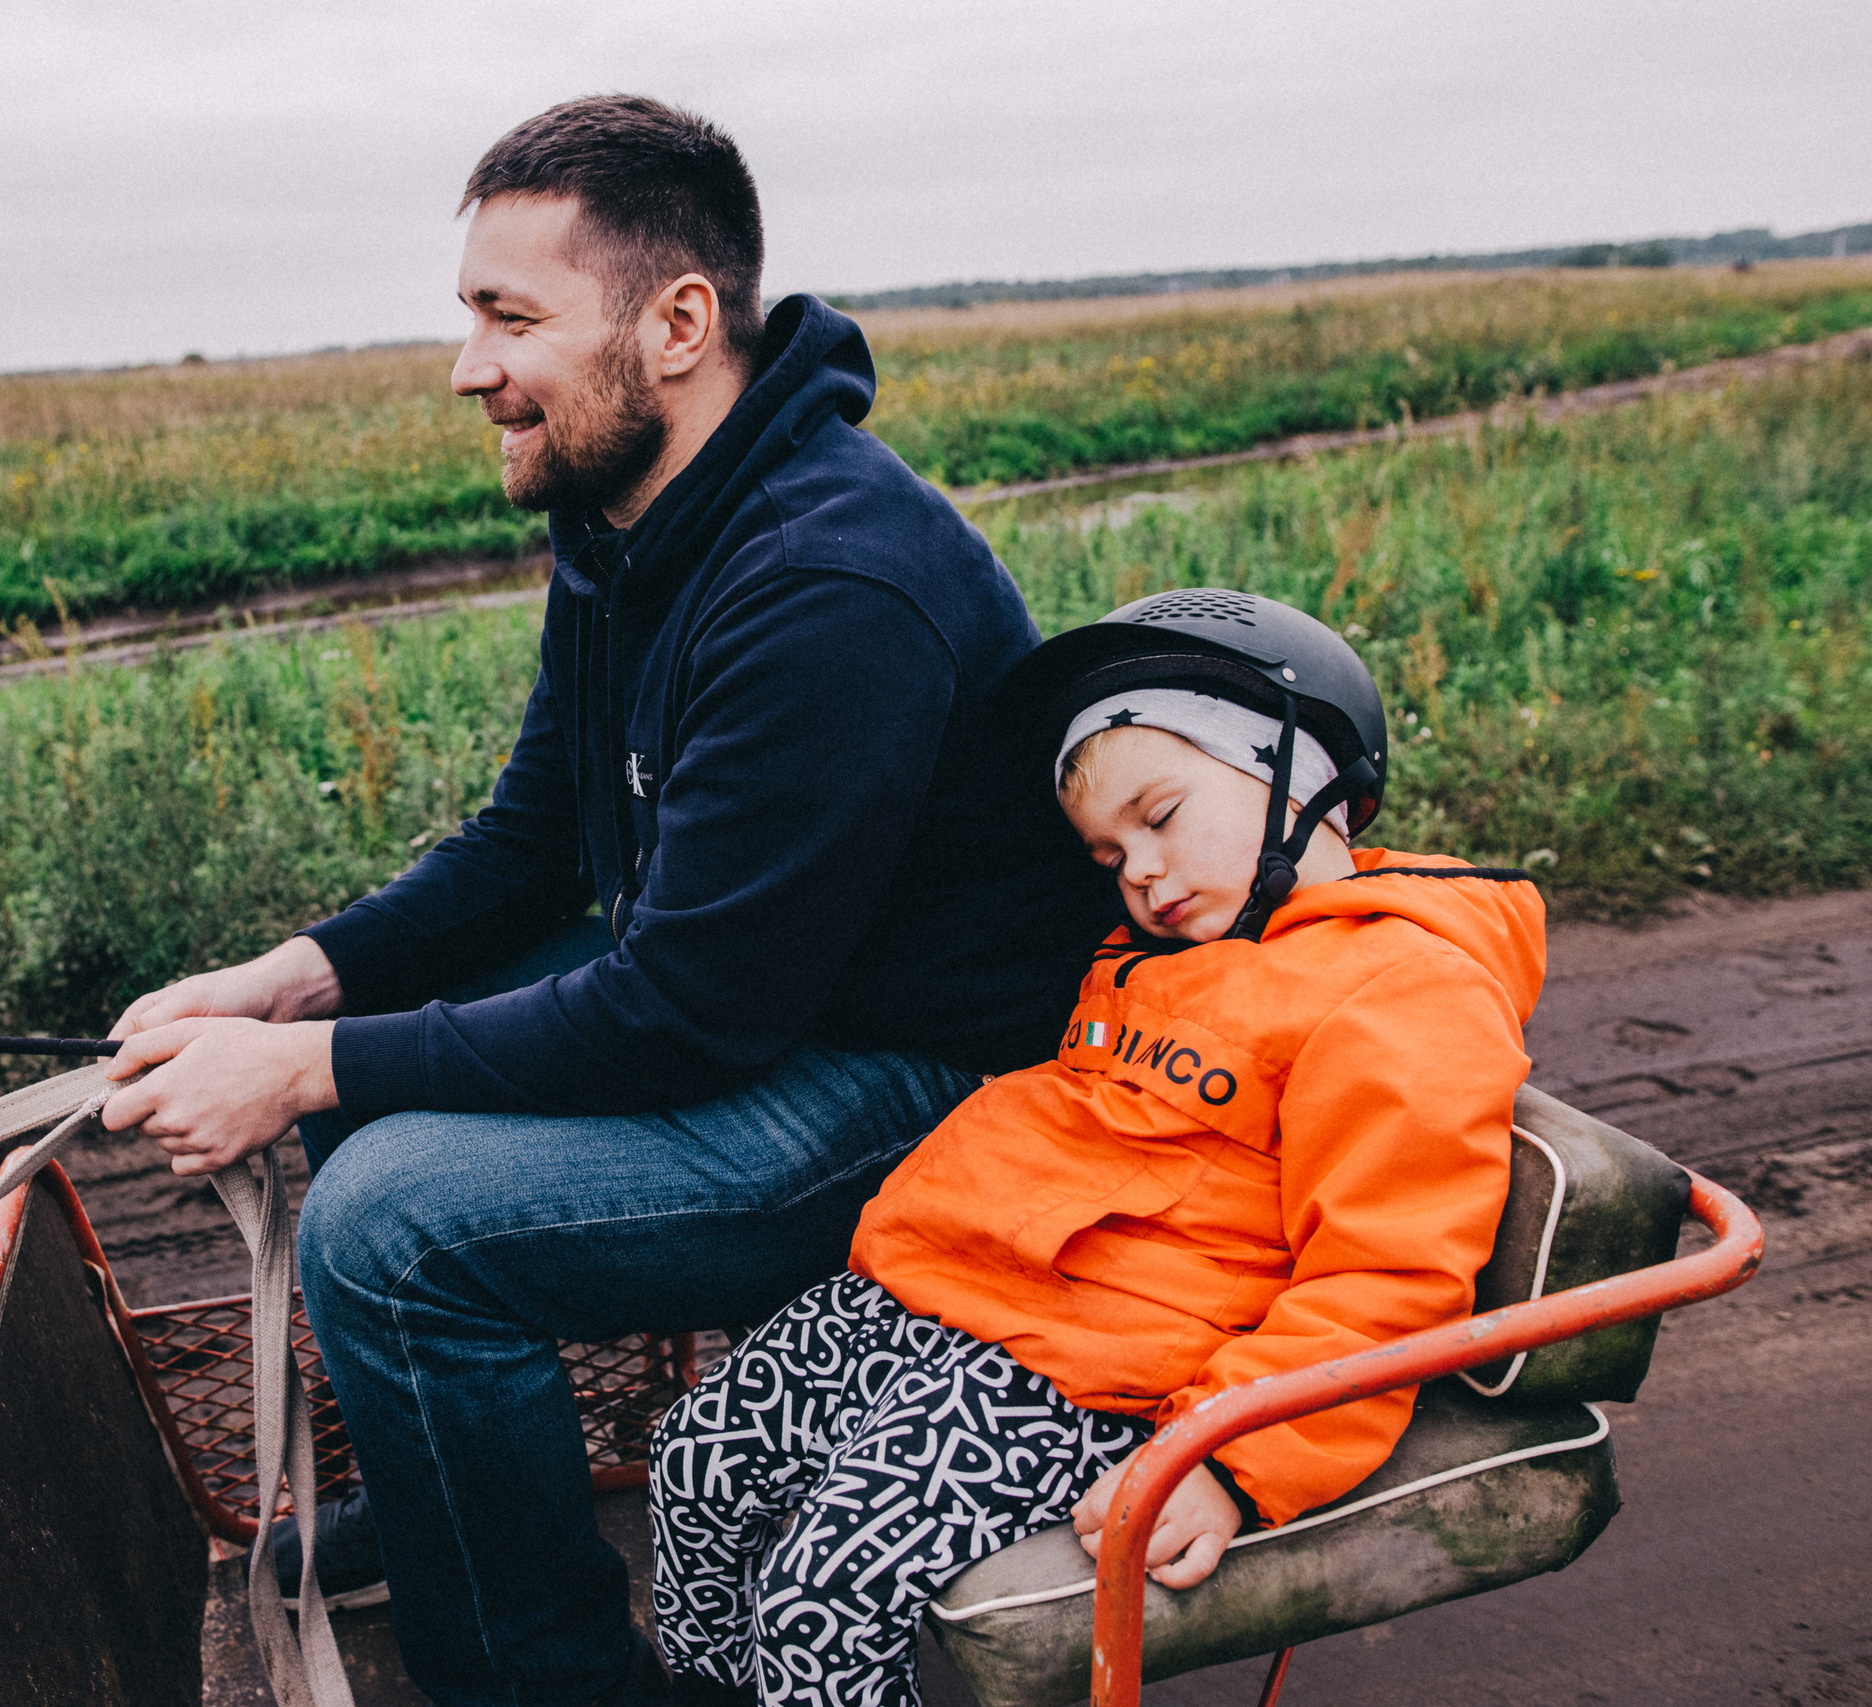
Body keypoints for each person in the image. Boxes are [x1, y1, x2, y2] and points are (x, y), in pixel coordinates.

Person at [97, 96, 1116, 1705]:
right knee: (369, 1079)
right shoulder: (631, 511)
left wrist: (302, 1069)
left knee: (392, 1230)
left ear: (679, 322)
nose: (467, 366)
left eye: (513, 317)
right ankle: (457, 1500)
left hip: (930, 1079)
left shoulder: (827, 580)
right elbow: (532, 844)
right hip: (781, 990)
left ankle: (543, 1673)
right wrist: (288, 982)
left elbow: (687, 1013)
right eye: (469, 314)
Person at [647, 590, 1547, 1707]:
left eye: (1162, 816)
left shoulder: (1403, 990)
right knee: (694, 1463)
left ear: (1302, 769)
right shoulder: (1169, 948)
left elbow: (1386, 1272)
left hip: (1092, 1373)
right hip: (948, 1290)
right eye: (1110, 853)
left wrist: (1228, 1458)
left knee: (818, 1599)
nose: (1140, 874)